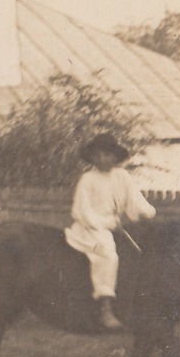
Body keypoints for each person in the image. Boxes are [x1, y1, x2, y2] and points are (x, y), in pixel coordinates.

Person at [64, 133, 155, 331]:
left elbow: (135, 200)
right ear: (93, 157)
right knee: (108, 254)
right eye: (99, 155)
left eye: (108, 154)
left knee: (139, 251)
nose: (104, 159)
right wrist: (107, 223)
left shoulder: (122, 176)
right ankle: (105, 308)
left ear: (115, 156)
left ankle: (137, 305)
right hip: (90, 229)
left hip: (115, 227)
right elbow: (82, 212)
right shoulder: (88, 179)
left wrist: (146, 212)